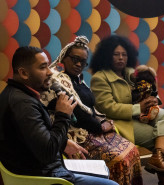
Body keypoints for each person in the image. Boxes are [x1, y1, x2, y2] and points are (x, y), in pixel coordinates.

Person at [0, 46, 118, 185]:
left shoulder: (19, 95)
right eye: (43, 67)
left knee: (103, 173)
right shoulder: (22, 104)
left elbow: (32, 138)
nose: (50, 72)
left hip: (43, 169)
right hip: (43, 178)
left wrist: (62, 143)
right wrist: (62, 115)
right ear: (24, 73)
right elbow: (47, 152)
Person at [40, 36, 143, 185]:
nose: (78, 64)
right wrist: (100, 126)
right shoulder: (58, 79)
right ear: (64, 57)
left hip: (91, 129)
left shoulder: (79, 79)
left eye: (82, 61)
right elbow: (77, 112)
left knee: (132, 150)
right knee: (119, 160)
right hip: (75, 135)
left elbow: (90, 108)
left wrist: (102, 121)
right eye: (74, 58)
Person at [89, 35, 164, 185]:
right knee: (161, 136)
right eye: (116, 54)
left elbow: (147, 89)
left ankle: (158, 160)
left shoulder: (131, 72)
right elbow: (108, 108)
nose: (121, 58)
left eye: (124, 54)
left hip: (140, 115)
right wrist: (138, 108)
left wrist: (154, 100)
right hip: (121, 123)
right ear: (107, 55)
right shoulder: (99, 78)